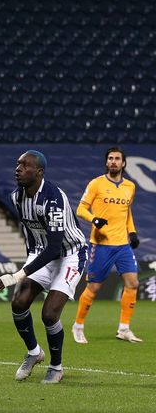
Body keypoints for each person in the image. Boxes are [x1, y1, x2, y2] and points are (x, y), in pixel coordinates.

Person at [0, 150, 87, 384]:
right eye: (18, 164)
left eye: (25, 166)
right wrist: (28, 265)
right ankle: (34, 353)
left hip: (69, 255)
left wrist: (18, 274)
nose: (18, 169)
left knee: (49, 314)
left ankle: (56, 367)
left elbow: (55, 246)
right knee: (19, 302)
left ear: (39, 172)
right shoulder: (17, 197)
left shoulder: (53, 198)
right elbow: (30, 233)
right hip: (40, 252)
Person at [72, 147, 141, 344]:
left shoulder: (130, 186)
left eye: (117, 159)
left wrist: (132, 231)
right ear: (106, 162)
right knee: (93, 287)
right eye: (110, 158)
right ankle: (78, 326)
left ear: (123, 163)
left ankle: (124, 329)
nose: (113, 161)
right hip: (101, 245)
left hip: (122, 246)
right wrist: (94, 219)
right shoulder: (96, 184)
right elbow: (80, 209)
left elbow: (127, 213)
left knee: (133, 283)